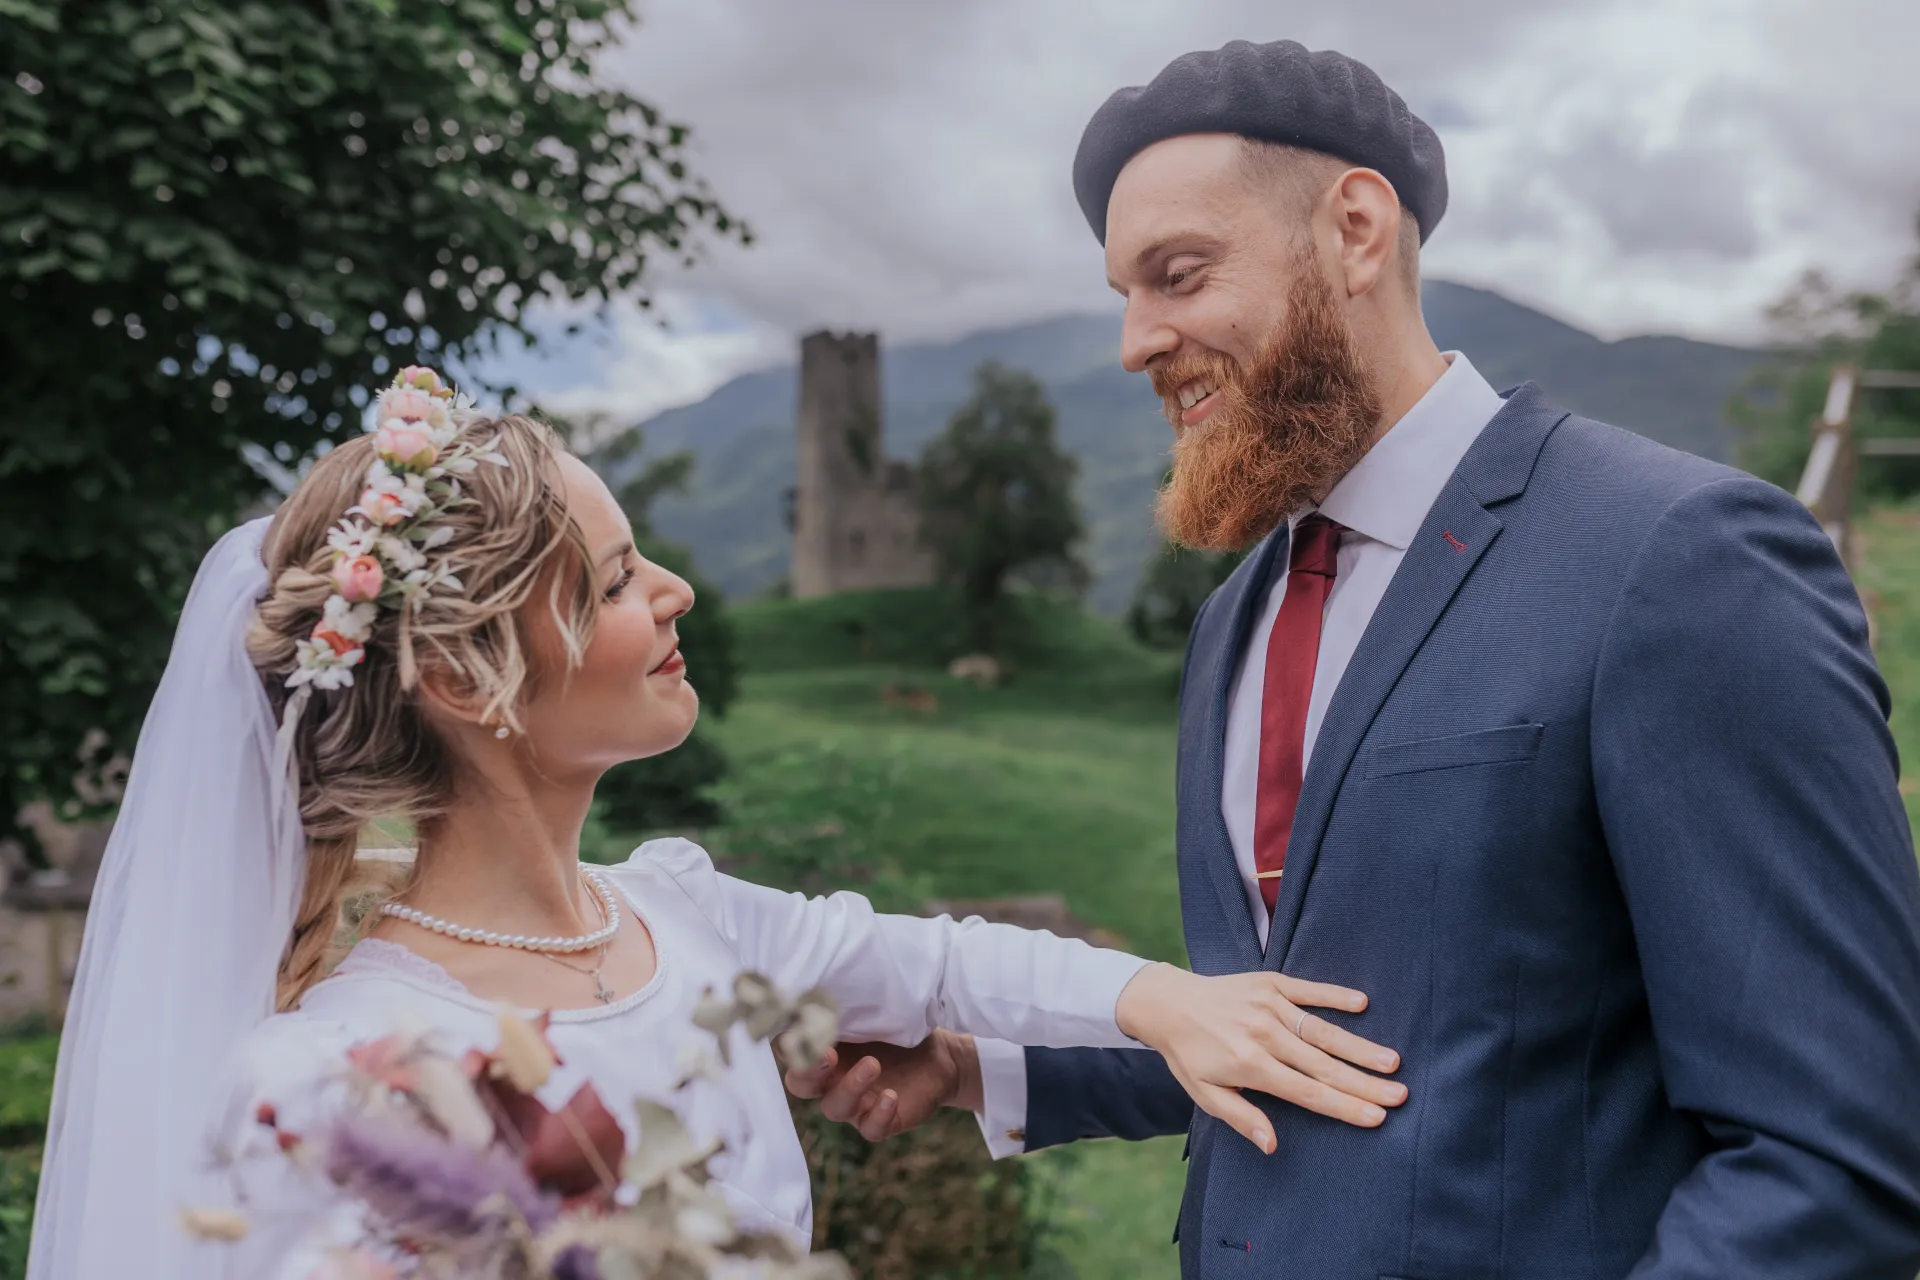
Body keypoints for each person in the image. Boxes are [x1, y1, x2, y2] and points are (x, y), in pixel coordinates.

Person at [788, 38, 1920, 1278]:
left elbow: (1838, 1155)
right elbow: (1312, 1012)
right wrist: (979, 1062)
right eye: (1124, 292)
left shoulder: (1680, 558)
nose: (1135, 342)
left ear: (1357, 231)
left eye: (1178, 273)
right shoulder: (1240, 616)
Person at [27, 366, 1409, 1279]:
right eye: (619, 577)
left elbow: (935, 966)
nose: (679, 591)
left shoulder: (674, 910)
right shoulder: (340, 1079)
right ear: (464, 679)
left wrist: (1168, 999)